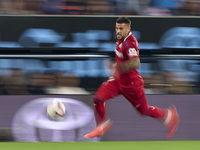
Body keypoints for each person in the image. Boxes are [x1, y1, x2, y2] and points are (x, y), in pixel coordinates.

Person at [83, 17, 179, 139]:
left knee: (143, 111)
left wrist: (121, 67)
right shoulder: (120, 39)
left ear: (129, 29)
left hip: (132, 84)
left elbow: (135, 62)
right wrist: (116, 65)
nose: (118, 31)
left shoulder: (130, 42)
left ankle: (168, 115)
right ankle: (102, 125)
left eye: (121, 28)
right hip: (118, 80)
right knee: (98, 99)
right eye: (117, 28)